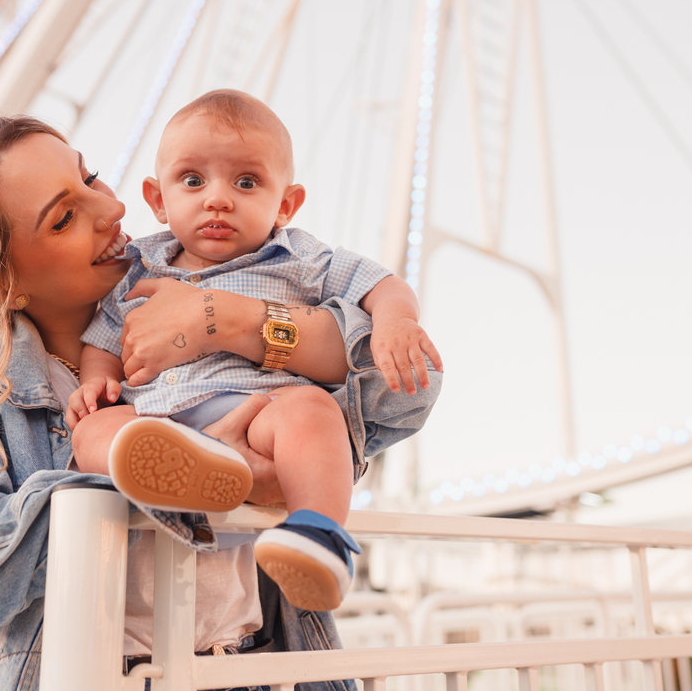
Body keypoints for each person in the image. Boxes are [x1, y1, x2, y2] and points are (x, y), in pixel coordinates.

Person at [0, 114, 441, 691]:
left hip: (248, 668)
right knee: (107, 434)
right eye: (64, 218)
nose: (111, 207)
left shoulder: (189, 278)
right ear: (1, 284)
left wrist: (228, 320)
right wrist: (190, 483)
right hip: (83, 678)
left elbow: (406, 388)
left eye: (90, 176)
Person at [67, 90, 441, 612]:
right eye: (192, 180)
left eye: (246, 182)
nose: (218, 199)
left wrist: (395, 321)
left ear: (285, 204)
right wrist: (96, 381)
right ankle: (183, 480)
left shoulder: (298, 256)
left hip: (261, 411)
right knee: (93, 430)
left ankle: (319, 535)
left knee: (312, 411)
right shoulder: (138, 267)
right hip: (157, 422)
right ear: (157, 199)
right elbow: (105, 339)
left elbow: (380, 283)